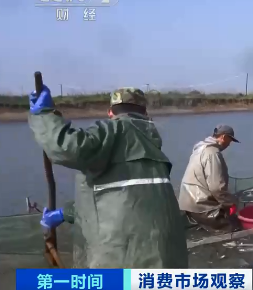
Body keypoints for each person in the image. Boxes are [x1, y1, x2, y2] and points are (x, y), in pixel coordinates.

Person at [31, 85, 188, 268]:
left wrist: (44, 115)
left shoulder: (113, 130)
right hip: (166, 258)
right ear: (145, 112)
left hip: (122, 260)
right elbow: (121, 197)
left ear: (110, 113)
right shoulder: (151, 142)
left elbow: (66, 147)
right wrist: (65, 213)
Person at [178, 124, 240, 230]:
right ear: (224, 137)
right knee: (234, 227)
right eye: (230, 140)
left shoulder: (199, 149)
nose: (229, 144)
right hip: (200, 206)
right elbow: (217, 188)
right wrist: (232, 203)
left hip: (185, 204)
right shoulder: (213, 153)